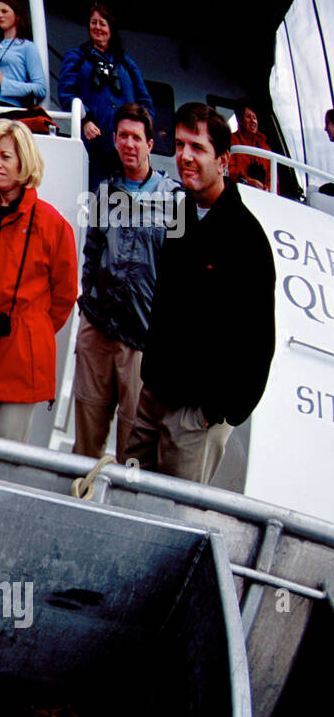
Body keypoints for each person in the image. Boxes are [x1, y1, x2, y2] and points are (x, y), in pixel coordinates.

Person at [123, 103, 275, 485]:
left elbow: (259, 343)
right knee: (127, 492)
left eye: (197, 147)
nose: (184, 157)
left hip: (194, 415)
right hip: (153, 396)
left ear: (223, 160)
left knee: (172, 520)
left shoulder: (246, 239)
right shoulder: (181, 213)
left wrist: (216, 411)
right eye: (178, 145)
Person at [0, 119, 78, 442]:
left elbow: (64, 295)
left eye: (5, 157)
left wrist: (31, 332)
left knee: (8, 452)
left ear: (24, 161)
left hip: (22, 355)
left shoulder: (52, 225)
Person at [72, 103, 180, 459]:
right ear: (115, 140)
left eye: (137, 137)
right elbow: (91, 252)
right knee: (87, 430)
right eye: (123, 137)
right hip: (99, 329)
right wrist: (89, 306)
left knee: (133, 440)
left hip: (141, 339)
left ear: (151, 143)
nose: (129, 144)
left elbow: (177, 271)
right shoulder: (105, 191)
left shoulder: (176, 200)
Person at [59, 4, 154, 190]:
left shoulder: (126, 63)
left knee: (128, 196)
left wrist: (141, 133)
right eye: (93, 22)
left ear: (111, 28)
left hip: (125, 146)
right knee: (96, 197)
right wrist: (85, 120)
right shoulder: (76, 57)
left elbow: (145, 102)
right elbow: (66, 94)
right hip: (94, 144)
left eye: (102, 23)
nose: (97, 27)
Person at [228, 103, 272, 191]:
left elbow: (273, 178)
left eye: (255, 118)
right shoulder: (231, 141)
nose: (253, 121)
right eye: (248, 117)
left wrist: (267, 188)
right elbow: (228, 170)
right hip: (237, 191)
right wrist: (248, 181)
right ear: (240, 120)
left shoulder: (265, 147)